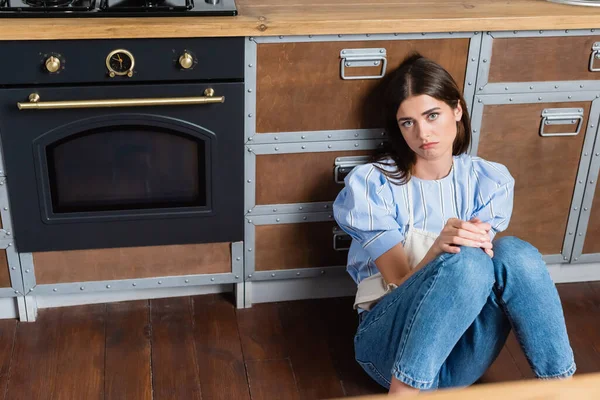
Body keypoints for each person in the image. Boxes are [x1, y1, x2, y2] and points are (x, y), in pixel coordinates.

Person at [332, 53, 576, 396]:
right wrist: (436, 251)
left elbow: (484, 275)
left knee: (514, 253)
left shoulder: (488, 181)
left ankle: (563, 389)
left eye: (432, 115)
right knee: (468, 261)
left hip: (458, 358)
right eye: (408, 123)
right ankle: (403, 393)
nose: (422, 133)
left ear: (457, 110)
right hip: (388, 354)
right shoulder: (372, 184)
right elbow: (398, 281)